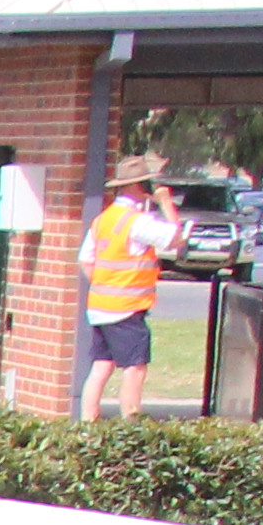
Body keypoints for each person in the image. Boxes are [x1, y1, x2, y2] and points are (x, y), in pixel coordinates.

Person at [75, 154, 178, 420]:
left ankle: (87, 423)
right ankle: (131, 423)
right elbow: (174, 240)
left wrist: (105, 283)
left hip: (100, 307)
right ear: (137, 187)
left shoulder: (104, 220)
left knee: (101, 366)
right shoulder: (137, 221)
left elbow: (86, 260)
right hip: (127, 309)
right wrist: (166, 204)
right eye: (147, 184)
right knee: (135, 368)